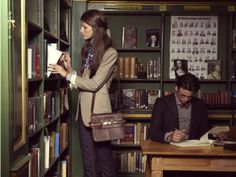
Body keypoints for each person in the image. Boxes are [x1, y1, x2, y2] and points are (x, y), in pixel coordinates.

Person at [48, 9, 117, 177]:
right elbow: (83, 85)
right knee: (89, 166)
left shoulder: (110, 53)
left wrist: (67, 74)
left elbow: (94, 85)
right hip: (83, 115)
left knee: (105, 164)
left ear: (96, 28)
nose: (81, 31)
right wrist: (70, 69)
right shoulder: (90, 51)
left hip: (99, 116)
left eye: (84, 27)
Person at [149, 73, 209, 144]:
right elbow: (153, 133)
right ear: (176, 88)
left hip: (193, 149)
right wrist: (170, 136)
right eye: (182, 95)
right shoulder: (162, 103)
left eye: (189, 96)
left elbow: (205, 132)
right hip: (169, 149)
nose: (186, 99)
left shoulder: (200, 105)